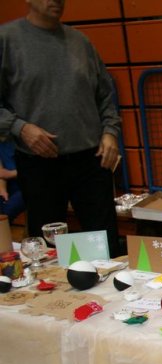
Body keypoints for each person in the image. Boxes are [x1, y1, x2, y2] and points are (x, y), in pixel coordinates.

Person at [1, 0, 122, 255]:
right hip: (39, 162)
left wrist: (110, 132)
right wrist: (20, 128)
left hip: (92, 159)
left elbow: (105, 96)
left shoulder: (81, 42)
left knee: (106, 245)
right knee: (47, 251)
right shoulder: (7, 40)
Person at [0, 139, 24, 223]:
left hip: (26, 185)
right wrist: (2, 189)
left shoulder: (20, 141)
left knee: (7, 211)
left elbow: (34, 170)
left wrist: (10, 174)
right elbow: (1, 173)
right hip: (8, 187)